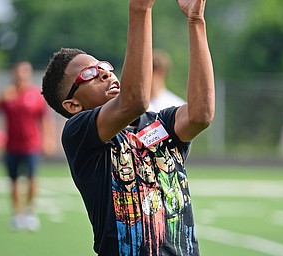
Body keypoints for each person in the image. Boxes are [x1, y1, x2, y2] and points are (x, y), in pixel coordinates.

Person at [42, 0, 214, 255]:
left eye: (104, 66)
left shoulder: (161, 122)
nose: (104, 73)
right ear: (73, 104)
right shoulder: (78, 133)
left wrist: (195, 21)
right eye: (88, 74)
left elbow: (202, 114)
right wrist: (140, 9)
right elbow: (134, 101)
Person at [0, 61, 56, 231]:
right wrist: (1, 97)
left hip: (31, 145)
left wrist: (48, 139)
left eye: (25, 71)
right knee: (13, 181)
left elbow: (45, 119)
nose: (21, 75)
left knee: (32, 179)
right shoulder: (8, 94)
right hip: (11, 146)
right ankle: (16, 215)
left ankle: (30, 213)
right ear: (14, 73)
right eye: (19, 71)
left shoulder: (35, 95)